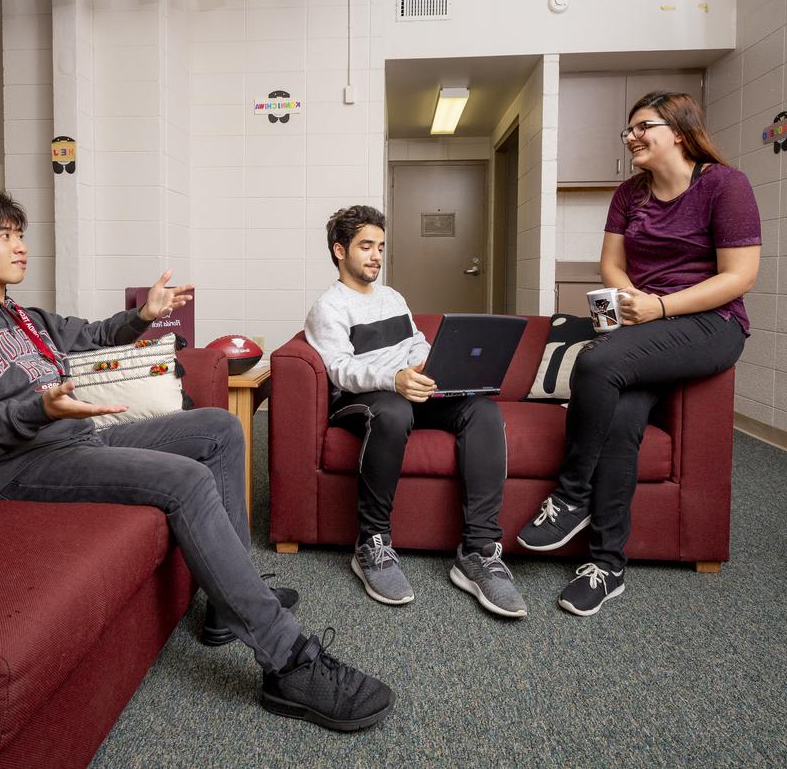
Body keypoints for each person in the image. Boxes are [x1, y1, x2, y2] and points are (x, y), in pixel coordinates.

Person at [0, 184, 392, 732]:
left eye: (20, 235)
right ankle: (289, 663)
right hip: (13, 467)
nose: (20, 247)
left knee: (219, 427)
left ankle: (230, 600)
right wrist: (38, 410)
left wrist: (144, 315)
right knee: (185, 479)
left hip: (70, 441)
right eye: (4, 236)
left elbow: (90, 335)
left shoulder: (21, 316)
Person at [516, 91, 761, 616]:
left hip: (710, 323)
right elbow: (611, 264)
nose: (632, 137)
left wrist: (662, 307)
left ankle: (573, 493)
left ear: (679, 129)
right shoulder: (630, 194)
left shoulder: (724, 185)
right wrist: (630, 301)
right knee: (623, 416)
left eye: (642, 126)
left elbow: (739, 276)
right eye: (627, 131)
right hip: (646, 320)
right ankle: (607, 566)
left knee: (598, 362)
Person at [304, 205, 526, 619]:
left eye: (381, 247)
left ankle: (477, 552)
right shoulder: (329, 307)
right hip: (366, 398)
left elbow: (415, 342)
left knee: (481, 410)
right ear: (339, 250)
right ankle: (372, 544)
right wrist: (395, 379)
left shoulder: (392, 297)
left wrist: (429, 365)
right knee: (392, 413)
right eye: (365, 246)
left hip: (409, 386)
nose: (376, 256)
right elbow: (340, 369)